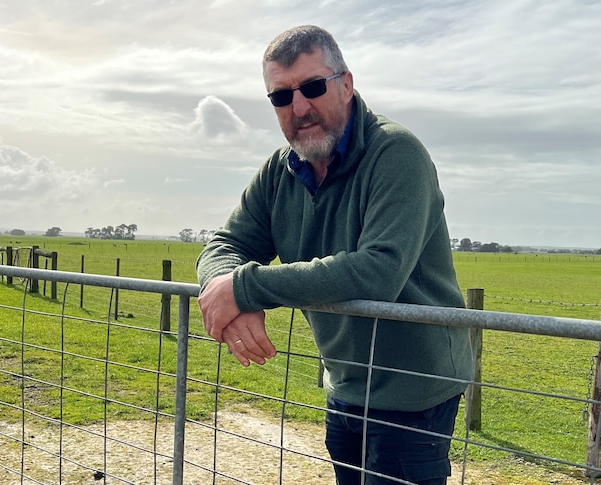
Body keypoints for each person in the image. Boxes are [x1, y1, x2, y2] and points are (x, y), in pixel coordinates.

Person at [196, 25, 473, 485]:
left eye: (312, 87)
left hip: (413, 393)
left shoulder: (395, 153)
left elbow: (378, 268)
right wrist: (224, 287)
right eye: (281, 97)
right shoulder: (280, 170)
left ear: (346, 84)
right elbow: (226, 245)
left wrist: (245, 289)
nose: (299, 107)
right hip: (344, 383)